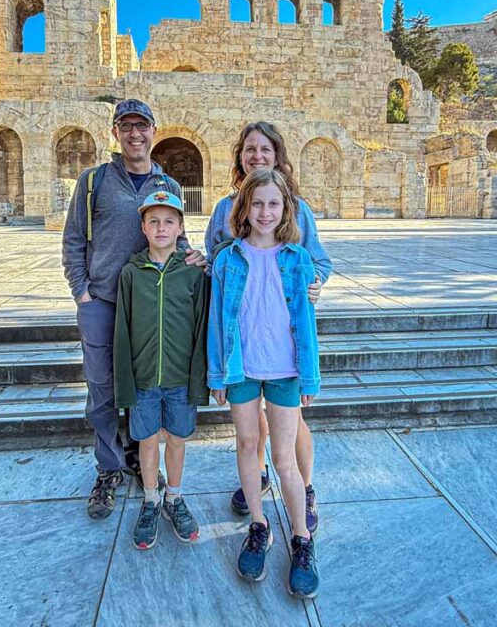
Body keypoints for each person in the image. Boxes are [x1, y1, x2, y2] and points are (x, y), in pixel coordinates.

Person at [62, 98, 204, 520]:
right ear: (116, 133)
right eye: (126, 126)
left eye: (142, 126)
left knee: (143, 386)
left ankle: (138, 459)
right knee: (103, 388)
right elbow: (72, 239)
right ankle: (108, 468)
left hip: (150, 302)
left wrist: (192, 257)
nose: (135, 134)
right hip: (104, 299)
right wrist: (81, 291)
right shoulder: (94, 182)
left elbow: (177, 237)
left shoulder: (169, 185)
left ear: (153, 131)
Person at [204, 122, 331, 534]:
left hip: (282, 345)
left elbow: (317, 263)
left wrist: (313, 285)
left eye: (265, 149)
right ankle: (256, 482)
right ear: (240, 155)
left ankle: (303, 488)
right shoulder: (225, 207)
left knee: (289, 434)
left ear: (277, 155)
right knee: (249, 428)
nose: (256, 155)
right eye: (249, 149)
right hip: (243, 343)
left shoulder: (295, 205)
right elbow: (216, 261)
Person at [208, 168, 321, 599]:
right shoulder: (227, 259)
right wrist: (218, 374)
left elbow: (307, 325)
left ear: (285, 209)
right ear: (244, 208)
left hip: (285, 369)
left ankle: (301, 538)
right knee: (247, 445)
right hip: (241, 368)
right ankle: (258, 525)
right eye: (257, 203)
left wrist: (309, 374)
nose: (265, 211)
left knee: (285, 456)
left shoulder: (297, 259)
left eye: (273, 203)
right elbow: (219, 321)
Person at [113, 190, 209, 549]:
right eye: (153, 220)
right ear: (143, 227)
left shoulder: (194, 273)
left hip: (180, 378)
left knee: (178, 440)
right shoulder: (131, 273)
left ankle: (174, 496)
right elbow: (122, 330)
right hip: (142, 379)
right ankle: (151, 499)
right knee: (147, 440)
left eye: (169, 220)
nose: (161, 227)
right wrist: (124, 381)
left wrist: (200, 377)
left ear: (181, 227)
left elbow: (202, 328)